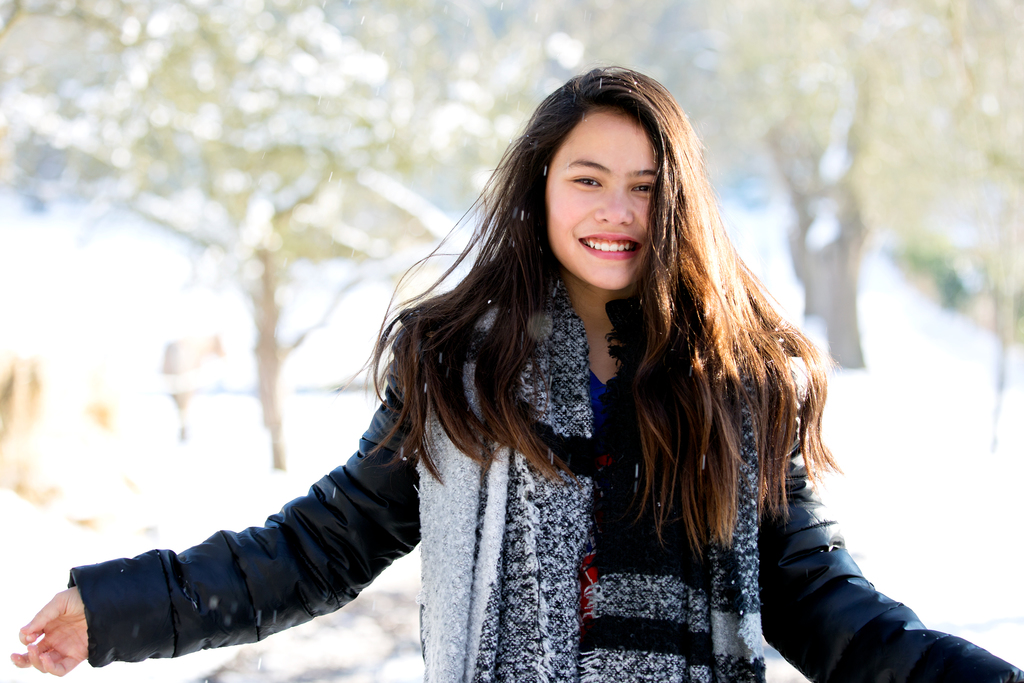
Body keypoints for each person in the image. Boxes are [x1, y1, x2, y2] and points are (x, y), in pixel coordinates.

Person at [11, 67, 1023, 683]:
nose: (616, 211)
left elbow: (831, 613)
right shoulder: (456, 369)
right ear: (539, 186)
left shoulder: (737, 385)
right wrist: (118, 606)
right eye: (588, 179)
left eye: (644, 186)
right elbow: (315, 548)